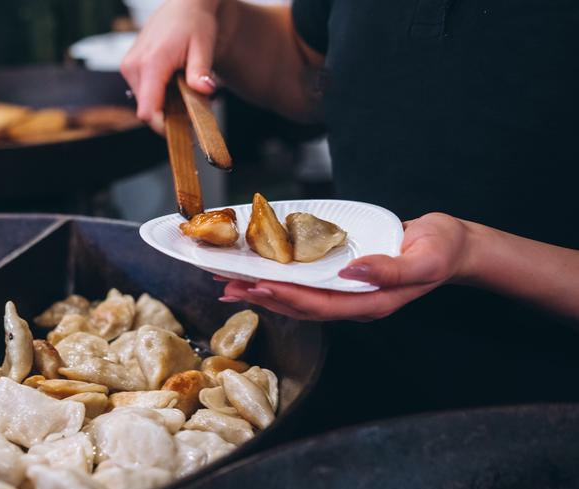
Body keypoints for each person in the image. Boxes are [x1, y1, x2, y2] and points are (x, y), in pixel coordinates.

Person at [122, 0, 579, 429]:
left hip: (542, 410)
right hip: (350, 377)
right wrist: (214, 18)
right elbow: (313, 68)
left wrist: (476, 251)